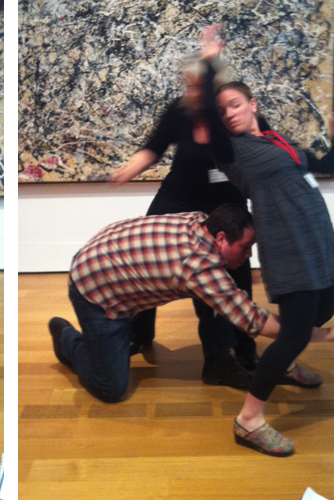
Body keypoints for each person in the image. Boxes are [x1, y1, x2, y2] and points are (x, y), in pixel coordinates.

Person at [195, 25, 334, 457]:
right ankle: (249, 420)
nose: (229, 114)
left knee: (320, 312)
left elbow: (324, 166)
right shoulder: (230, 151)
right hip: (288, 245)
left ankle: (286, 358)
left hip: (318, 238)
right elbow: (209, 116)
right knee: (295, 332)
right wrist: (210, 62)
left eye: (235, 105)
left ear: (253, 105)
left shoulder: (277, 141)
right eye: (223, 110)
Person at [47, 205, 334, 409]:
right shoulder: (198, 268)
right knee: (111, 389)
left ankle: (109, 337)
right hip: (95, 291)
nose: (249, 255)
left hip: (107, 259)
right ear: (220, 238)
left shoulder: (199, 221)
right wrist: (324, 334)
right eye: (245, 246)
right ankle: (68, 338)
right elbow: (254, 321)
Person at [109, 56, 266, 389]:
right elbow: (153, 148)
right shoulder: (179, 112)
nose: (192, 93)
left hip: (225, 202)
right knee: (147, 258)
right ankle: (139, 333)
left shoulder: (231, 115)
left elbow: (260, 149)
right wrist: (127, 170)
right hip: (177, 196)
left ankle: (242, 348)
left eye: (199, 86)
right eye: (189, 86)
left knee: (234, 272)